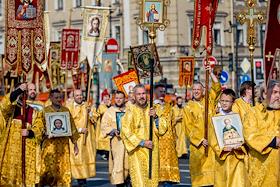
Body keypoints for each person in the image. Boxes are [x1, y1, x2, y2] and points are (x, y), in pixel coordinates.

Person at [121, 84, 168, 187]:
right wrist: (142, 143)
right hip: (137, 154)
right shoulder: (130, 111)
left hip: (153, 152)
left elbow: (163, 129)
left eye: (143, 93)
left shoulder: (154, 109)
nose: (141, 96)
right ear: (134, 96)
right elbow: (125, 132)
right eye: (138, 94)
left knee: (152, 183)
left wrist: (155, 117)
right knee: (140, 183)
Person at [183, 67, 221, 187]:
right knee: (201, 181)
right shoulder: (188, 107)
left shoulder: (209, 101)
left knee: (213, 180)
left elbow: (217, 87)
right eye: (194, 89)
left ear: (203, 91)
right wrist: (199, 140)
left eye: (198, 89)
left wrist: (210, 73)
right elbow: (188, 128)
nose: (196, 91)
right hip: (199, 147)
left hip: (213, 144)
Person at [0, 83, 44, 186]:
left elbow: (39, 126)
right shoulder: (12, 108)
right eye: (28, 90)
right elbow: (4, 105)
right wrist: (18, 90)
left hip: (28, 148)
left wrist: (30, 132)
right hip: (11, 149)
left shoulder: (34, 110)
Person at [243, 80, 280, 186]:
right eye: (275, 92)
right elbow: (250, 135)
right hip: (261, 170)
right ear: (264, 94)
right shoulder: (253, 113)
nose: (278, 96)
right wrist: (274, 141)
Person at [209, 89, 249, 187]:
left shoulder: (238, 118)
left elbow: (245, 135)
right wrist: (221, 149)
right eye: (222, 101)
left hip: (237, 157)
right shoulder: (215, 118)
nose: (224, 103)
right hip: (223, 158)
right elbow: (212, 138)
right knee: (222, 182)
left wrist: (241, 145)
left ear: (233, 102)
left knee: (238, 182)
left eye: (227, 101)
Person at [40, 89, 80, 186]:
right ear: (51, 98)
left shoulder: (65, 111)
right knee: (49, 170)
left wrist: (75, 144)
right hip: (50, 145)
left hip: (63, 145)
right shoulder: (45, 111)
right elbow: (40, 127)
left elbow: (72, 127)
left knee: (63, 170)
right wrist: (45, 133)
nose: (59, 100)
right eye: (56, 97)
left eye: (60, 97)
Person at [66, 89, 96, 187]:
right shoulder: (69, 107)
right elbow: (68, 122)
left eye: (80, 95)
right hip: (75, 137)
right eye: (77, 95)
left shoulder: (87, 105)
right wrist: (79, 129)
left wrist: (90, 113)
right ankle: (75, 179)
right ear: (73, 96)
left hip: (86, 138)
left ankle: (82, 180)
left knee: (84, 158)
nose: (79, 97)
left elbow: (94, 119)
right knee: (75, 158)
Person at [101, 91, 129, 186]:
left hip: (129, 143)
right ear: (114, 99)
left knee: (129, 165)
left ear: (124, 99)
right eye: (117, 98)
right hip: (116, 144)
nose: (119, 100)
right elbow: (104, 126)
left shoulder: (129, 110)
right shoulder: (109, 111)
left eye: (121, 98)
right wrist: (112, 130)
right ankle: (119, 184)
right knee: (118, 165)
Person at [154, 84, 180, 186]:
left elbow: (172, 124)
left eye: (164, 91)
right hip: (158, 142)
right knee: (158, 174)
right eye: (160, 91)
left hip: (169, 143)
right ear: (155, 92)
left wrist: (174, 140)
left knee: (169, 175)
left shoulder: (169, 106)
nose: (162, 93)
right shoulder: (151, 107)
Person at [96, 89, 111, 160]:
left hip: (109, 125)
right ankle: (103, 152)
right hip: (102, 126)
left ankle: (107, 153)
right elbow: (103, 112)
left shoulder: (109, 105)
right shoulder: (101, 106)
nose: (107, 100)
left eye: (108, 99)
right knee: (103, 138)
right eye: (105, 99)